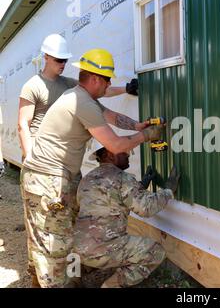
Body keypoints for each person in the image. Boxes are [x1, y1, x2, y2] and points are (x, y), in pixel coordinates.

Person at [20, 48, 163, 288]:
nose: (109, 86)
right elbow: (116, 145)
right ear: (96, 78)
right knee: (54, 245)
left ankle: (54, 280)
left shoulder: (81, 97)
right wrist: (147, 135)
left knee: (55, 238)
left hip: (54, 177)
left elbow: (112, 116)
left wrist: (138, 125)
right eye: (107, 81)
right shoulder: (81, 102)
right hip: (47, 180)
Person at [73, 142, 179, 288]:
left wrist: (141, 185)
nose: (128, 154)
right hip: (102, 250)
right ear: (110, 154)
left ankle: (89, 277)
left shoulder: (87, 179)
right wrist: (168, 191)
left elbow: (111, 198)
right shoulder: (122, 177)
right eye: (124, 151)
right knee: (155, 252)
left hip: (78, 248)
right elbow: (146, 208)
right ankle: (110, 286)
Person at [18, 34, 139, 160]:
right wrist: (29, 157)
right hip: (39, 153)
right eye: (59, 60)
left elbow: (100, 90)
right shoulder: (32, 86)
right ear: (46, 57)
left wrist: (126, 88)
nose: (63, 64)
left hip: (64, 153)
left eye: (65, 60)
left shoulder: (69, 84)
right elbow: (23, 124)